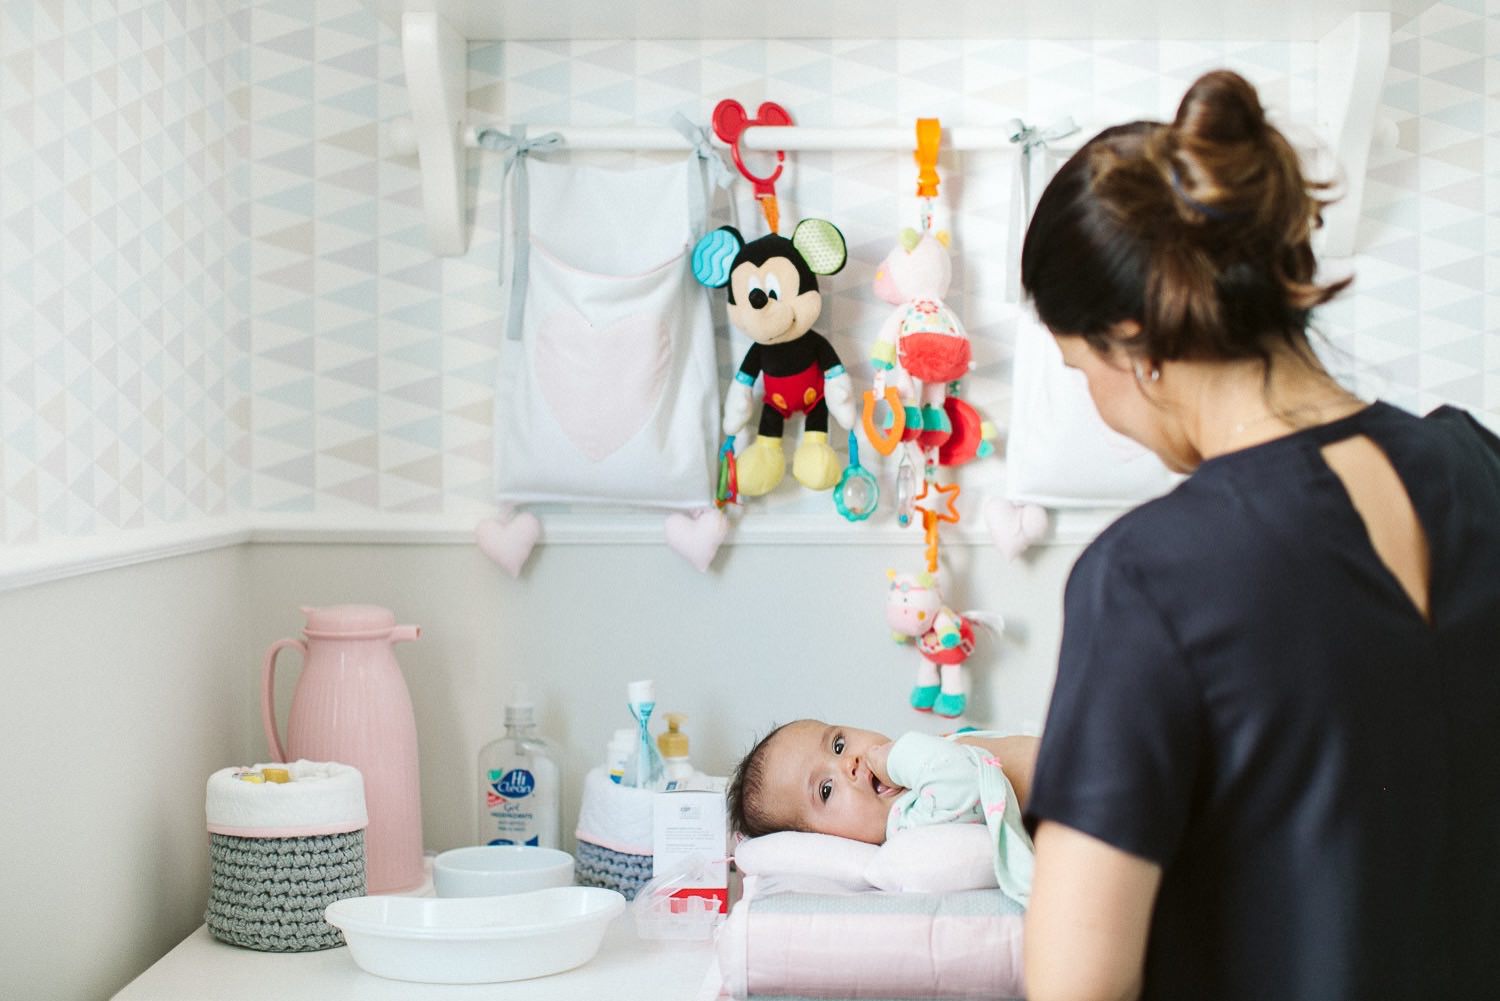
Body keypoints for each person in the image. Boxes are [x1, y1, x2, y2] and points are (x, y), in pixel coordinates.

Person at [1017, 69, 1500, 1001]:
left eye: (1083, 371)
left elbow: (1077, 987)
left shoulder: (1147, 575)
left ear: (1135, 338)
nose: (1099, 406)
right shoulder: (1480, 467)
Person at [726, 720, 1039, 904]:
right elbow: (961, 780)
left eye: (838, 745)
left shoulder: (915, 774)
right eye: (826, 790)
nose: (849, 763)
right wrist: (899, 757)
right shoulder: (909, 824)